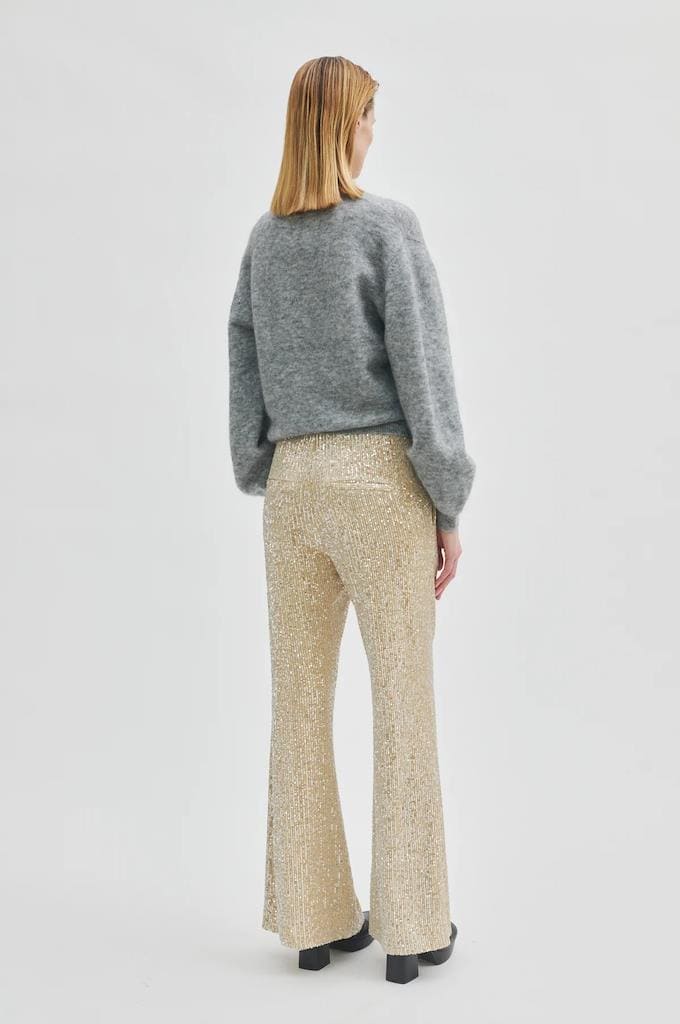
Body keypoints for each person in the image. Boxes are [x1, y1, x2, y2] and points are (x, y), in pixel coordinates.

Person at [227, 55, 476, 985]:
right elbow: (423, 365)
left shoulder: (265, 240)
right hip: (379, 478)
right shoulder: (385, 227)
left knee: (299, 701)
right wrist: (445, 496)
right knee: (402, 699)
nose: (373, 132)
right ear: (342, 126)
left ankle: (313, 919)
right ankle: (411, 927)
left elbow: (242, 355)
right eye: (367, 117)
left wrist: (261, 462)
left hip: (295, 486)